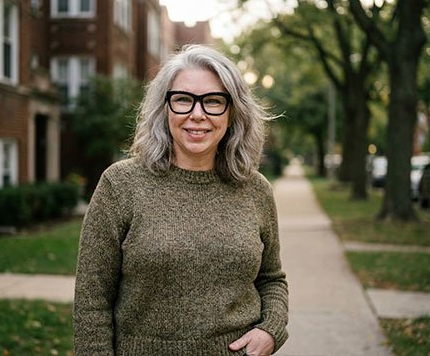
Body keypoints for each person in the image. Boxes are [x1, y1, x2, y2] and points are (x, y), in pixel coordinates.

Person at [73, 44, 289, 356]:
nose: (197, 114)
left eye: (213, 101)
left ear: (233, 112)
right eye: (183, 100)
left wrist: (271, 330)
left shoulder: (255, 189)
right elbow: (92, 301)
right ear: (165, 108)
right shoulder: (120, 185)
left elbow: (272, 280)